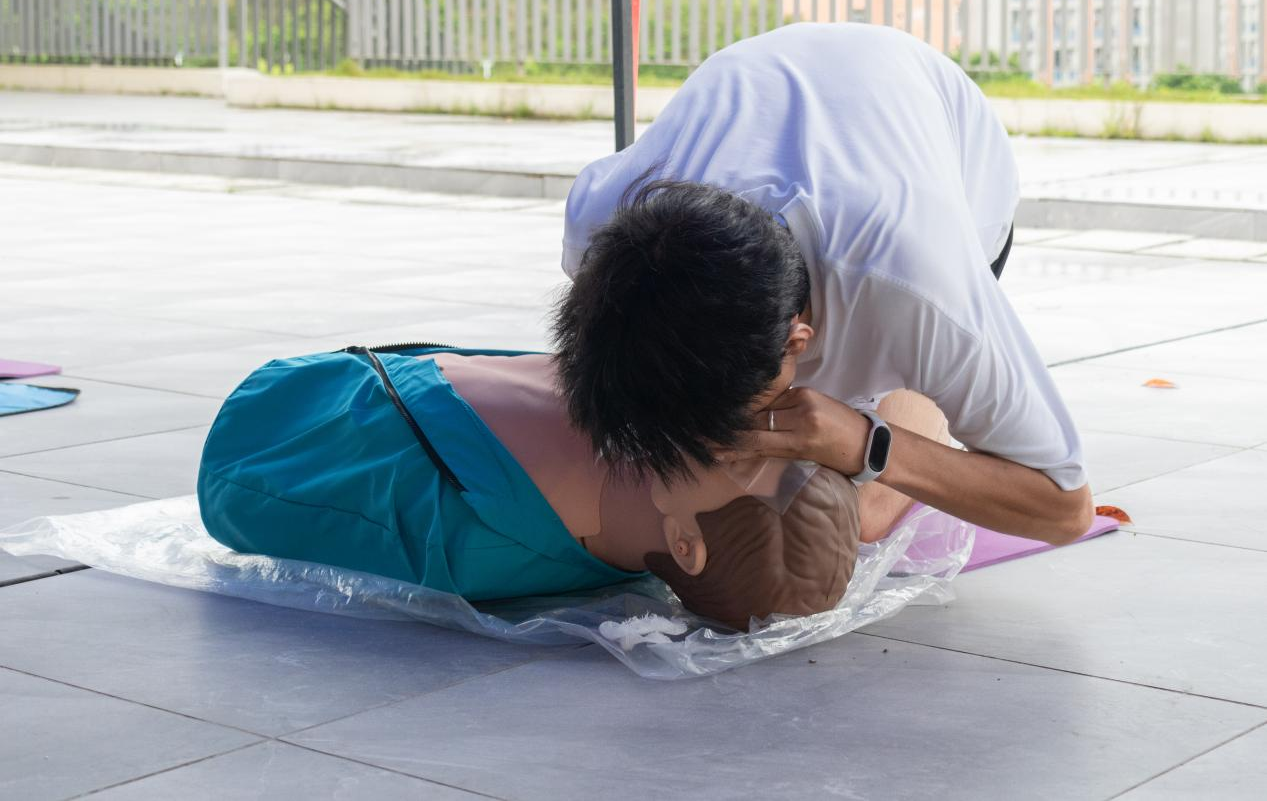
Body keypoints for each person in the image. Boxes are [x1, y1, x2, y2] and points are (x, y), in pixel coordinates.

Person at [553, 22, 1093, 546]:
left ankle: (914, 402)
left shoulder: (919, 288)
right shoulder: (600, 228)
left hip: (951, 146)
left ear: (798, 340)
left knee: (857, 517)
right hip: (768, 75)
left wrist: (865, 443)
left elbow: (1066, 508)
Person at [198, 348, 945, 630]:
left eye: (747, 458)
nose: (754, 426)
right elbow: (922, 403)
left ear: (685, 541)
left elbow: (251, 474)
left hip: (265, 425)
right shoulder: (658, 434)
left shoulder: (465, 536)